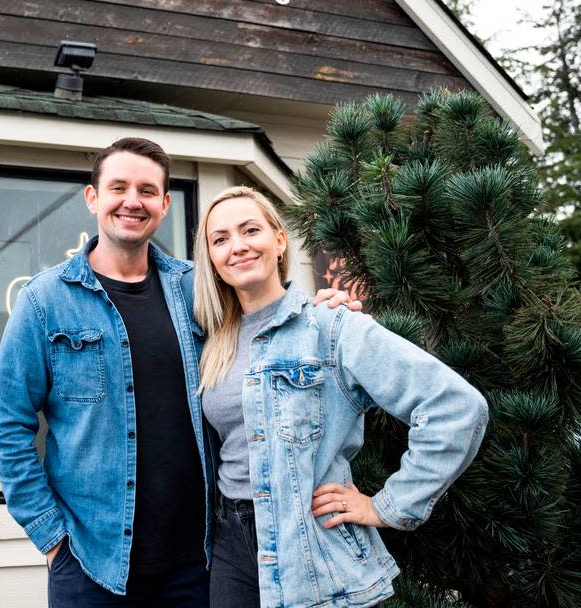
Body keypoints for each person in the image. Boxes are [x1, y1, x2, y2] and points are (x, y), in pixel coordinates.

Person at [0, 138, 356, 607]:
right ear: (93, 198)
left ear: (163, 205)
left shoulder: (196, 289)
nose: (132, 201)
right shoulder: (45, 301)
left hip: (195, 564)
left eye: (147, 190)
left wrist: (321, 313)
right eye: (118, 187)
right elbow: (5, 427)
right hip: (91, 563)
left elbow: (269, 321)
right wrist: (52, 538)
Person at [195, 185, 488, 608]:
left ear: (280, 240)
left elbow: (456, 407)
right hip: (230, 544)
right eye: (220, 239)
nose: (237, 246)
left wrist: (387, 506)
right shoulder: (211, 341)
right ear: (211, 260)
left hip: (312, 547)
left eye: (250, 230)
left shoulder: (332, 328)